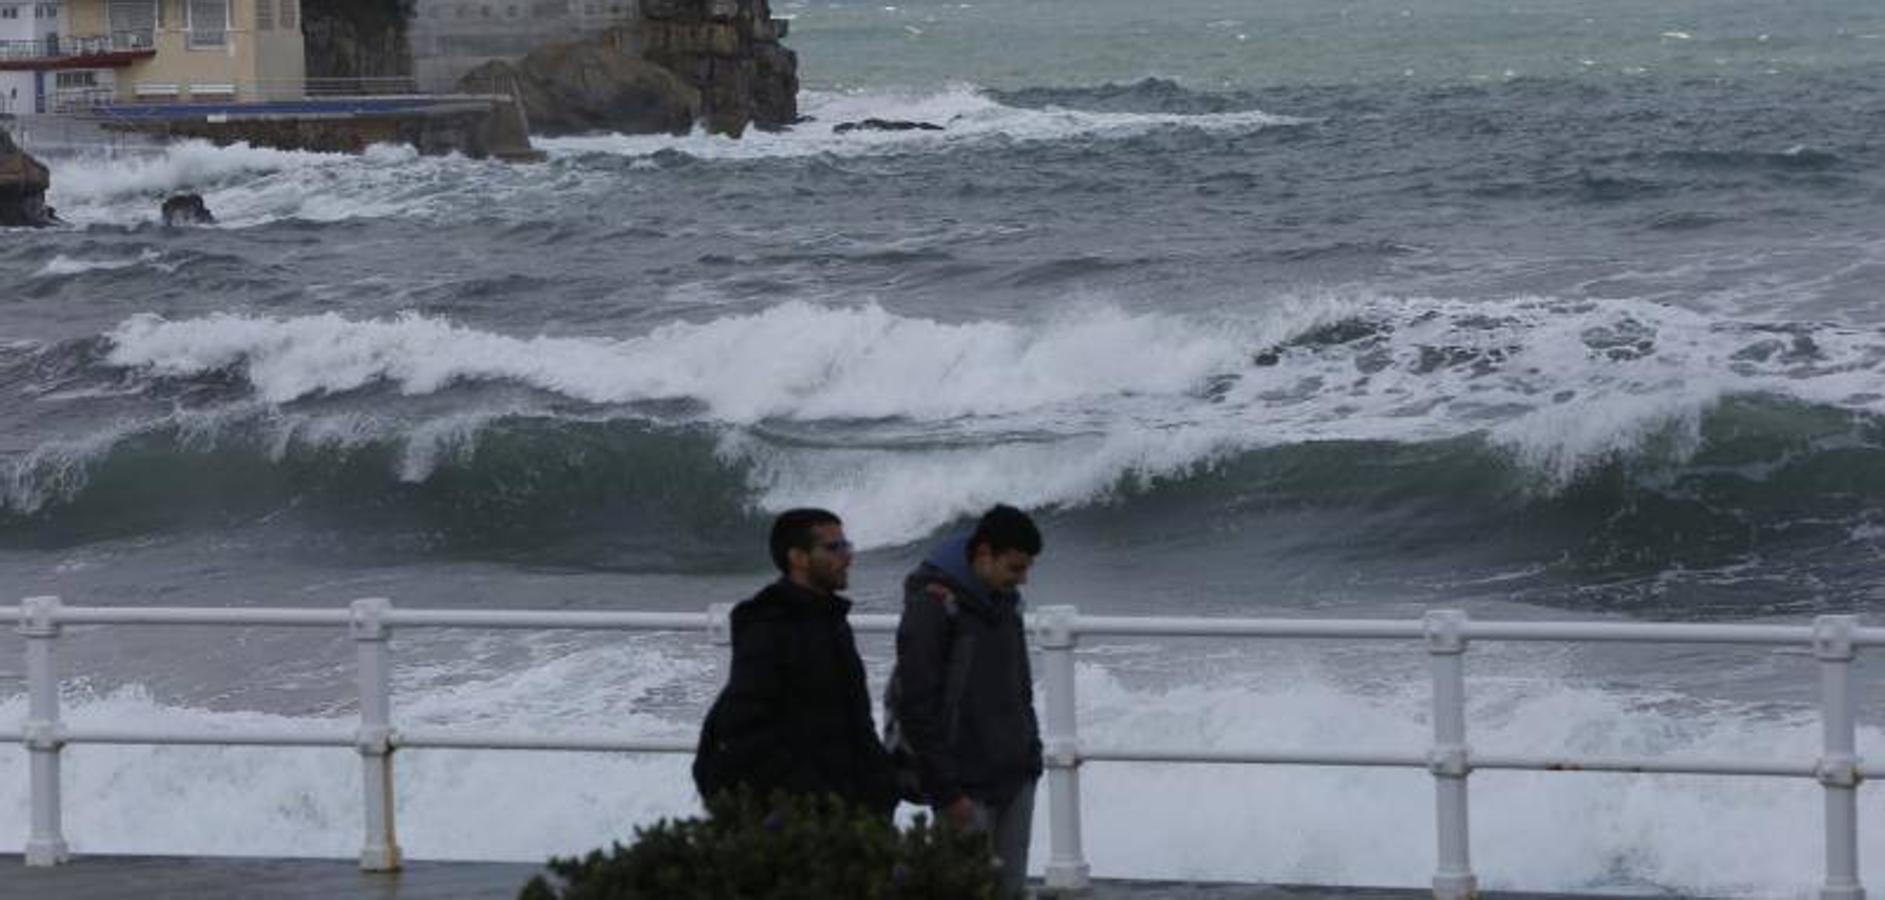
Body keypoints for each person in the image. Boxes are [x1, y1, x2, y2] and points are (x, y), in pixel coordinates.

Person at [692, 508, 897, 817]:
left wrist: (882, 783)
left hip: (849, 805)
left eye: (847, 546)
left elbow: (854, 715)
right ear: (798, 558)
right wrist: (819, 800)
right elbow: (747, 729)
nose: (847, 557)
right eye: (834, 548)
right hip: (807, 816)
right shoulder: (770, 626)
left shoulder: (831, 621)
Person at [885, 504, 1045, 898]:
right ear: (984, 554)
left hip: (1015, 773)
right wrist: (946, 791)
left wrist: (1032, 755)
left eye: (1026, 568)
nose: (1022, 579)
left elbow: (1020, 684)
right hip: (964, 784)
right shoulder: (935, 605)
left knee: (1010, 891)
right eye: (1014, 567)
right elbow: (916, 704)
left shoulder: (1004, 602)